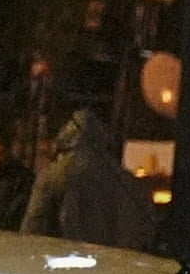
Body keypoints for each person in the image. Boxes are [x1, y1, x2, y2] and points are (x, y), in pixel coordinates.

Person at [25, 106, 154, 250]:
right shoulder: (123, 180)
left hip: (63, 258)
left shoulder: (53, 176)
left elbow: (33, 229)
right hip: (112, 260)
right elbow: (144, 228)